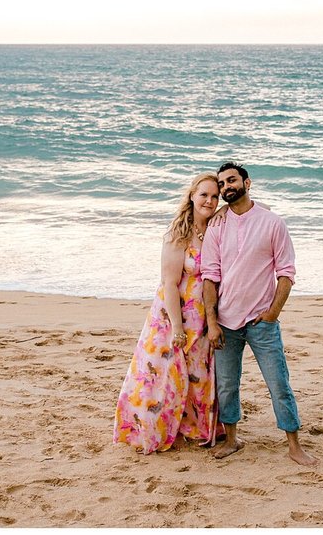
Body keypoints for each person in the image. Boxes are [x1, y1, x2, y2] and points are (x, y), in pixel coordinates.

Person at [201, 161, 317, 465]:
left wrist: (272, 313)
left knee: (278, 383)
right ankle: (233, 440)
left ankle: (294, 445)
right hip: (226, 322)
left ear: (247, 183)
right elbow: (210, 277)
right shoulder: (216, 226)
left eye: (231, 181)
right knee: (227, 386)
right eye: (222, 183)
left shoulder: (272, 223)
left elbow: (287, 273)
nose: (226, 187)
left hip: (261, 322)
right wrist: (212, 322)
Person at [113, 172, 221, 453]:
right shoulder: (178, 234)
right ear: (192, 196)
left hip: (205, 316)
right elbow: (170, 284)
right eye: (204, 195)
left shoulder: (217, 229)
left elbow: (260, 211)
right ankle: (154, 427)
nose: (209, 201)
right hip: (174, 316)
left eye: (214, 196)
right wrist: (177, 328)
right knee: (165, 374)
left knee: (199, 373)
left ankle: (195, 428)